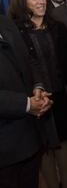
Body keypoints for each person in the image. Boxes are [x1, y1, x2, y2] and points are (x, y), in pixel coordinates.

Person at [9, 0, 67, 188]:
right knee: (44, 145)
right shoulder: (16, 32)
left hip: (61, 93)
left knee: (65, 142)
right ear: (23, 2)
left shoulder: (58, 27)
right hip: (36, 98)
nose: (41, 2)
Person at [0, 15, 53, 188]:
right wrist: (27, 104)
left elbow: (28, 58)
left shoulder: (4, 21)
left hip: (29, 138)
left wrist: (38, 87)